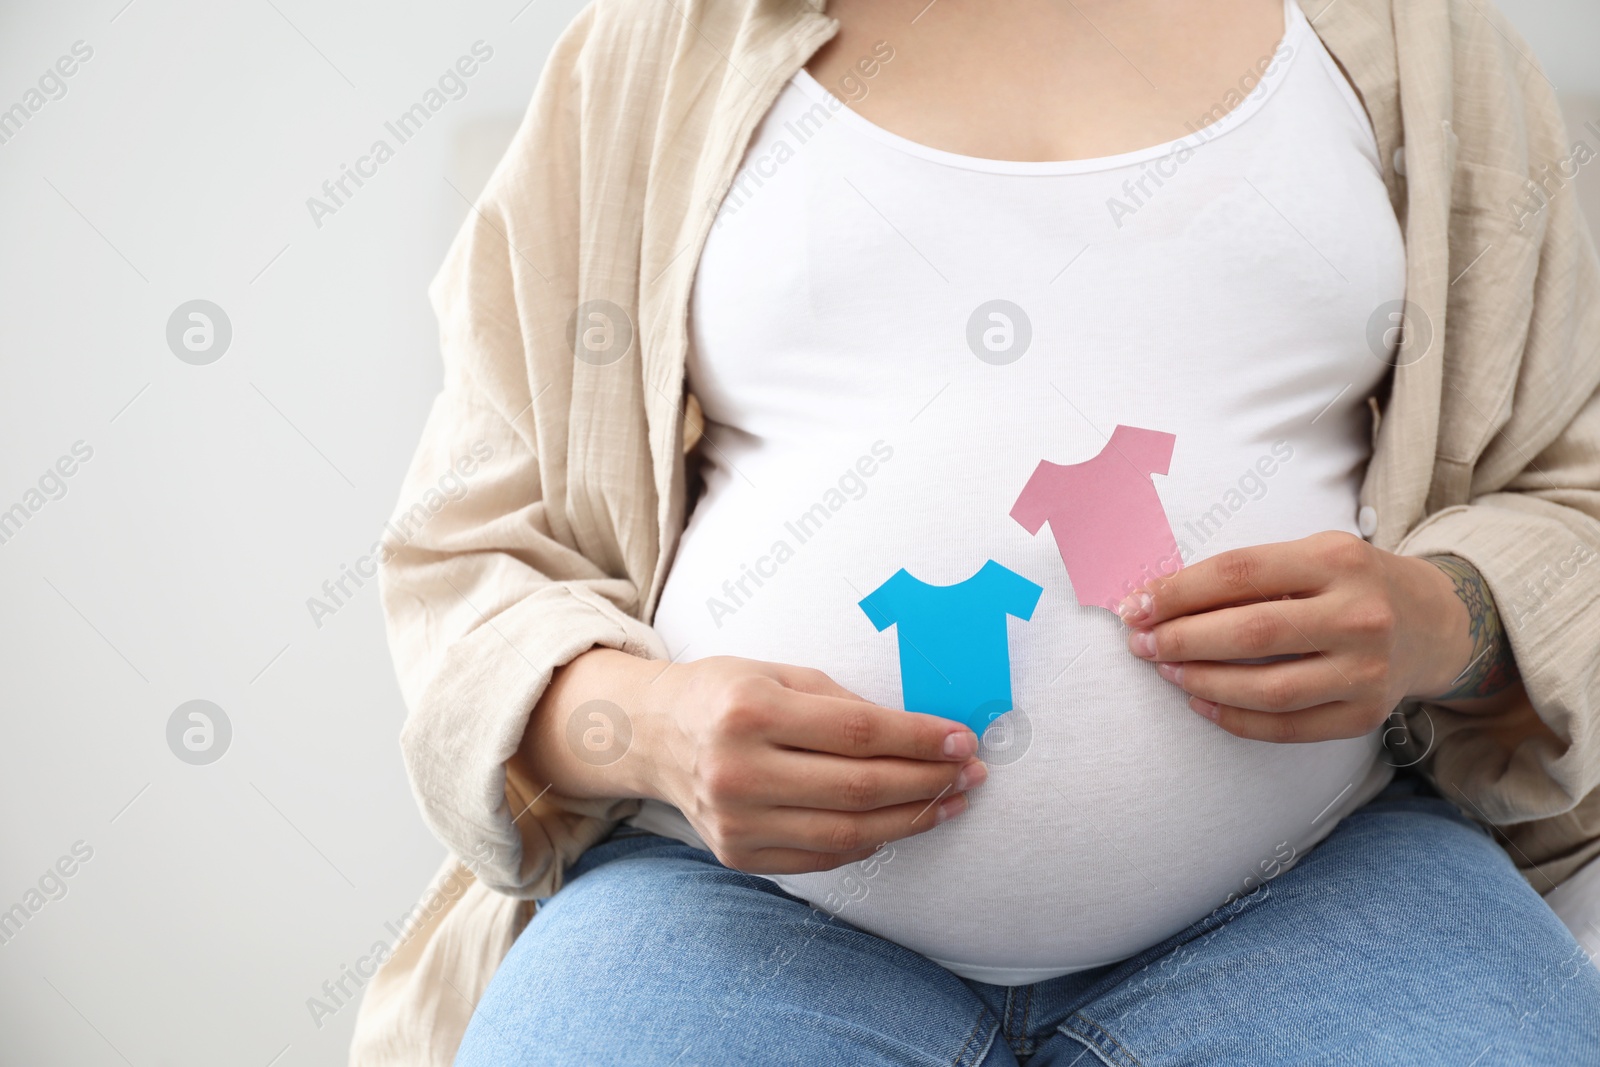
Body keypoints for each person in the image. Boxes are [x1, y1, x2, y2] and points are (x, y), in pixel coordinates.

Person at [351, 0, 1600, 1063]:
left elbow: (1573, 483)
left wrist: (1446, 618)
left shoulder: (1415, 41)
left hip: (1327, 877)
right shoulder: (657, 52)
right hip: (722, 901)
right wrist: (653, 729)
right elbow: (467, 550)